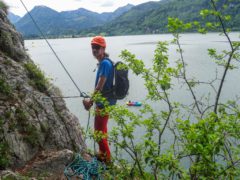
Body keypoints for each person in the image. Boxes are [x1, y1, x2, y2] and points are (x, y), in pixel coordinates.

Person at [83, 36, 116, 163]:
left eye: (97, 47)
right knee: (102, 131)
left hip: (104, 104)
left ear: (103, 48)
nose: (94, 50)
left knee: (98, 133)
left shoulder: (105, 64)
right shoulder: (105, 62)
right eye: (93, 47)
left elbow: (100, 86)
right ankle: (103, 154)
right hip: (105, 102)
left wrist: (90, 102)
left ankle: (107, 161)